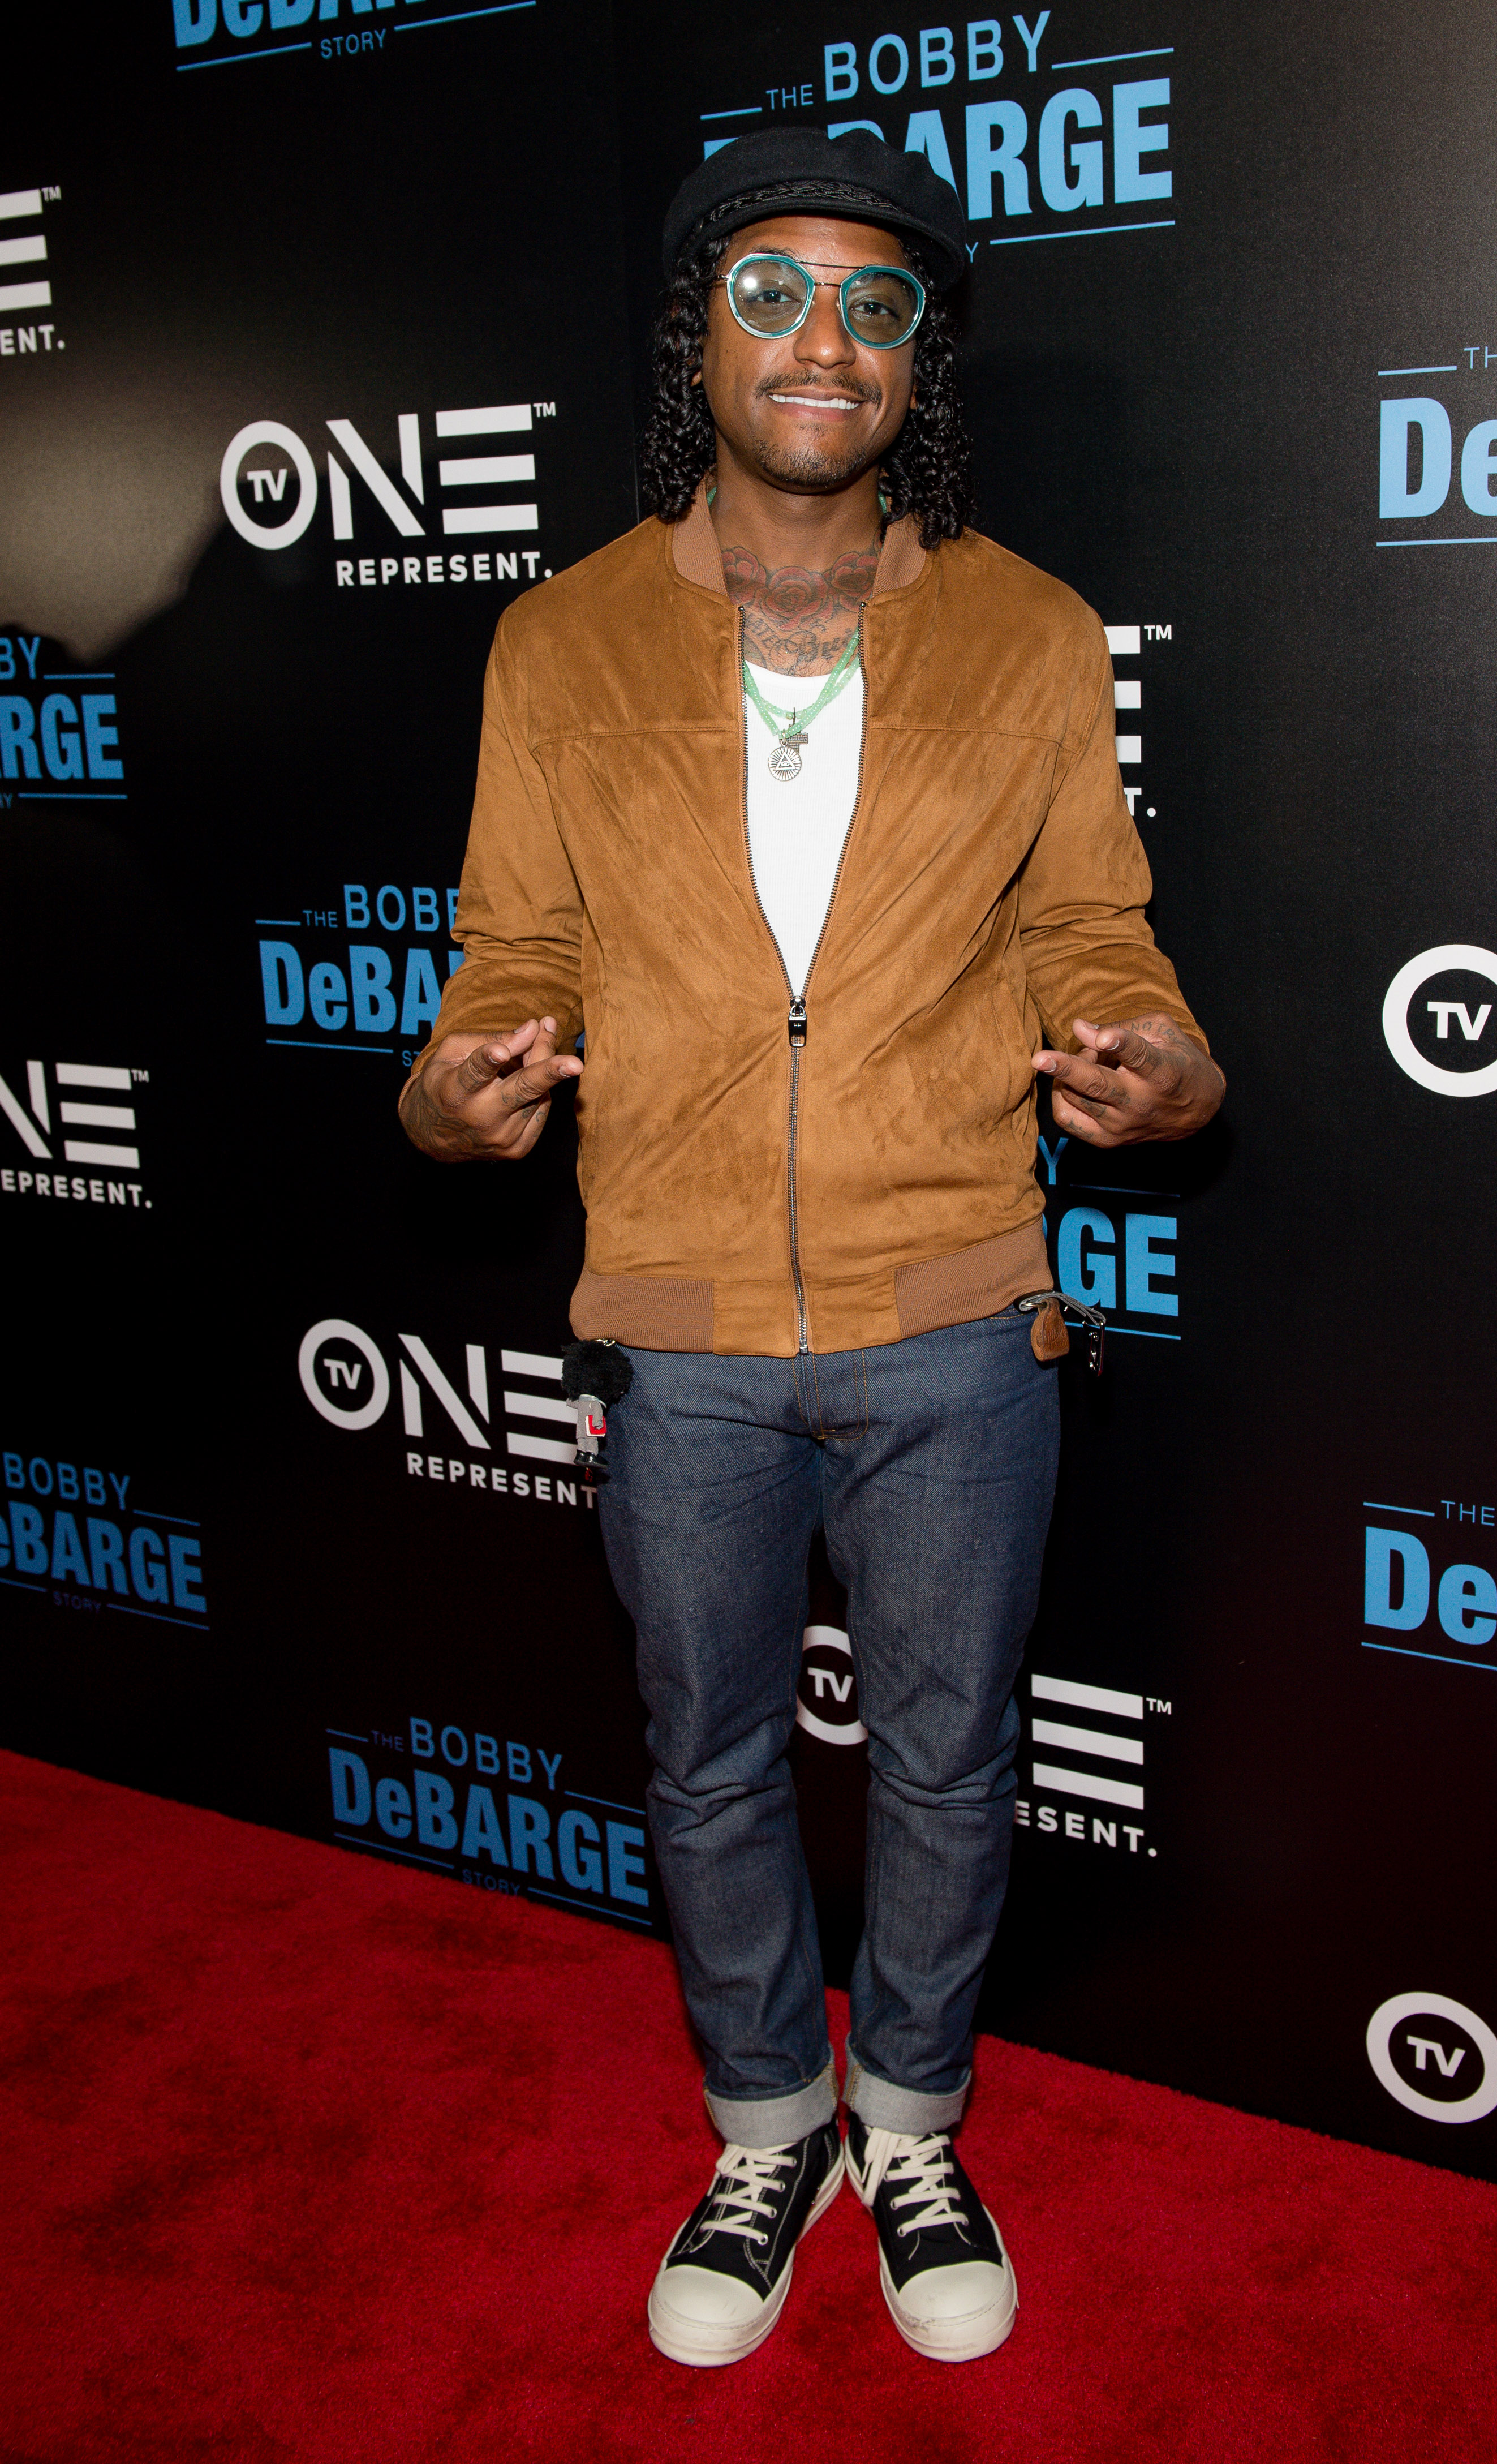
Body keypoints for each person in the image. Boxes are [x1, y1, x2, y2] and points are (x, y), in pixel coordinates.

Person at [398, 127, 1223, 2369]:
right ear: (698, 334)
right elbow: (512, 951)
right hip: (676, 1332)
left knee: (948, 1760)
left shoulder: (1029, 628)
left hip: (954, 1310)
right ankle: (767, 2123)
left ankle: (913, 2120)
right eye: (770, 290)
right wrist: (460, 1077)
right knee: (707, 1760)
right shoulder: (559, 635)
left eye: (876, 303)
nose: (822, 342)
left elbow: (1092, 930)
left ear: (918, 357)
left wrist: (1154, 1056)